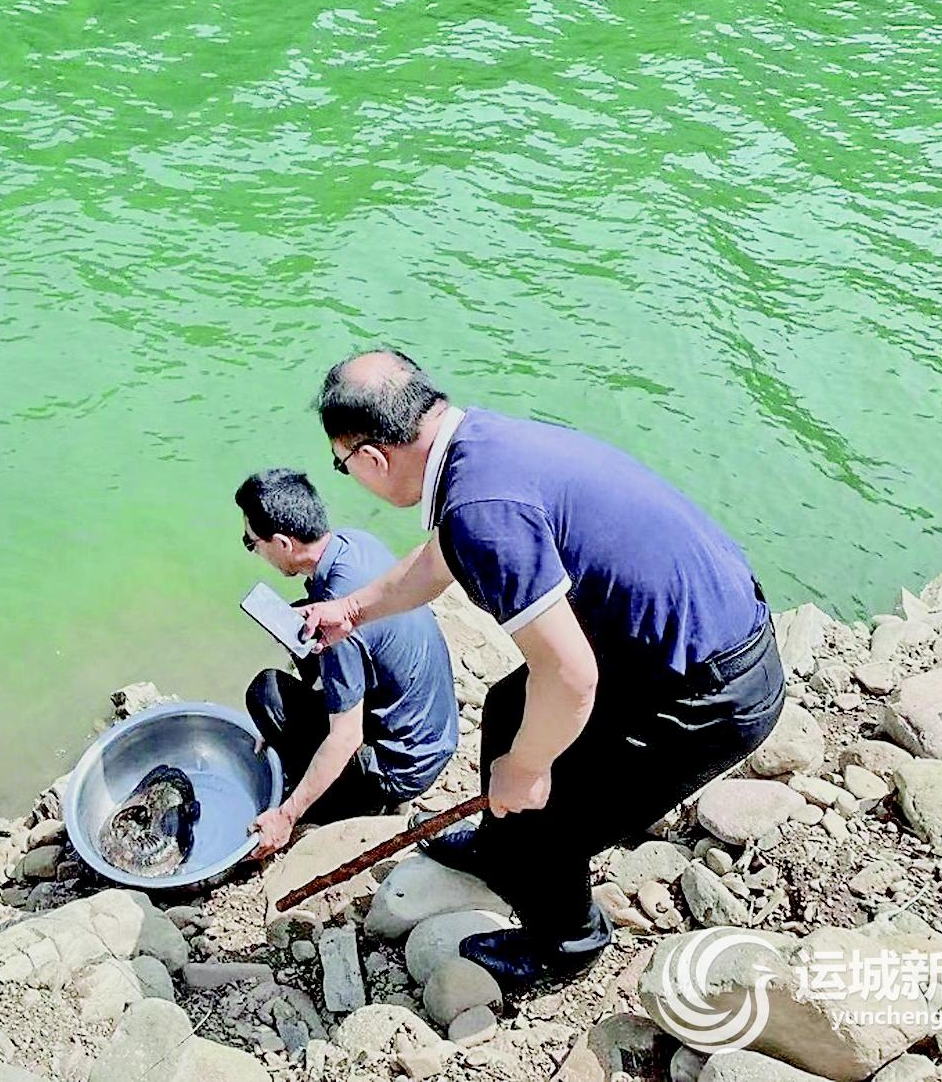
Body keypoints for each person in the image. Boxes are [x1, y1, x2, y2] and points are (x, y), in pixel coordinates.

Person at [299, 350, 784, 993]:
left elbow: (570, 675)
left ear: (371, 458)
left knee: (546, 807)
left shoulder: (480, 509)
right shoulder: (481, 446)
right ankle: (500, 853)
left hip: (711, 693)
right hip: (682, 641)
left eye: (343, 465)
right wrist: (352, 610)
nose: (349, 476)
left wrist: (527, 769)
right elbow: (439, 560)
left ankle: (568, 941)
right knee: (508, 708)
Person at [235, 468, 459, 859]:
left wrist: (286, 816)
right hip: (434, 732)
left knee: (266, 694)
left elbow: (346, 738)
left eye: (251, 543)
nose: (253, 551)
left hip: (400, 767)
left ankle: (354, 805)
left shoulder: (339, 628)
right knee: (299, 623)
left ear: (283, 543)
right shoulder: (354, 544)